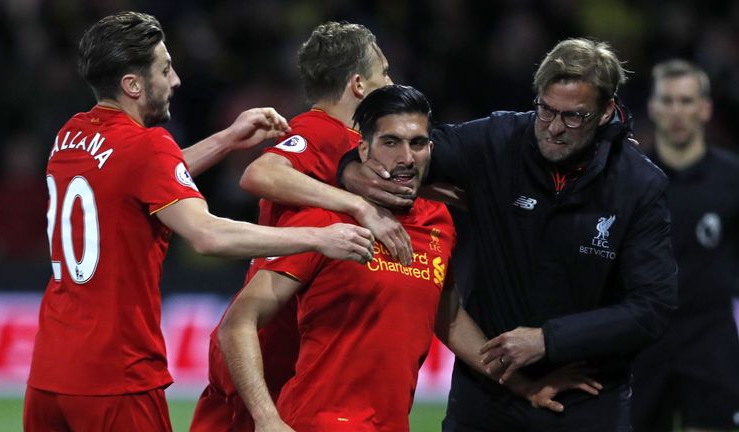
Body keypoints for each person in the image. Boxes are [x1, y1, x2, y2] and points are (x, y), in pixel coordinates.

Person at [23, 12, 375, 432]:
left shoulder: (71, 135)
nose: (175, 81)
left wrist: (226, 139)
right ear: (133, 85)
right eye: (165, 69)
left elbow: (138, 181)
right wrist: (318, 237)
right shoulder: (148, 146)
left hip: (48, 375)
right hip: (116, 375)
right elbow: (206, 234)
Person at [221, 85, 603, 432]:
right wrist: (267, 419)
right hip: (318, 422)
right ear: (364, 149)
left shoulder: (438, 221)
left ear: (432, 149)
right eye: (391, 142)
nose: (406, 157)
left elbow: (447, 317)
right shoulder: (326, 219)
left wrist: (524, 385)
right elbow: (238, 323)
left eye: (418, 143)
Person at [341, 39, 678, 431]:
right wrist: (352, 171)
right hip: (489, 390)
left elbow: (653, 307)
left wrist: (547, 340)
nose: (553, 128)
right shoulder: (497, 139)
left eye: (573, 117)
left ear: (605, 112)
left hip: (587, 395)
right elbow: (403, 155)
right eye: (546, 110)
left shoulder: (639, 184)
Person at [189, 21, 401, 431]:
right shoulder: (319, 129)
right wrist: (358, 204)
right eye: (384, 74)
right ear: (358, 84)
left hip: (290, 343)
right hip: (262, 346)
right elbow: (259, 174)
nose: (391, 84)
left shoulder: (354, 142)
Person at [632, 59, 739, 432]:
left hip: (710, 339)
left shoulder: (732, 178)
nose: (677, 111)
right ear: (653, 107)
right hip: (643, 340)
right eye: (669, 100)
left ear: (705, 108)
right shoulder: (631, 178)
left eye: (687, 100)